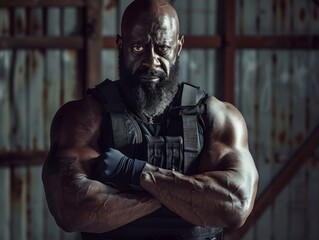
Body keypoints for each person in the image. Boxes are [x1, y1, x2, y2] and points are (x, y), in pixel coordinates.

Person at [42, 0, 259, 239]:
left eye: (162, 48)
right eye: (138, 48)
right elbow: (69, 209)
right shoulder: (84, 117)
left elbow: (235, 206)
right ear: (120, 45)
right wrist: (187, 198)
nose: (151, 61)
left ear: (179, 47)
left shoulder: (218, 117)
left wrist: (136, 172)